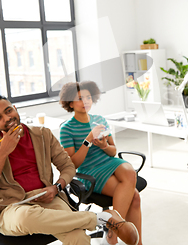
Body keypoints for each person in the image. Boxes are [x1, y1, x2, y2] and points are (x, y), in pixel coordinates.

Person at [0, 94, 139, 245]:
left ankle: (103, 218)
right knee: (26, 217)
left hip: (48, 198)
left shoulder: (42, 135)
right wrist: (2, 153)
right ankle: (103, 218)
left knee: (78, 238)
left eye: (8, 111)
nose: (7, 118)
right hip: (12, 206)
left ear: (15, 108)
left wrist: (56, 187)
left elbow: (68, 166)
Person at [59, 81, 143, 245]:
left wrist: (104, 145)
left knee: (130, 172)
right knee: (135, 197)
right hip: (90, 171)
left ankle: (112, 233)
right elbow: (73, 164)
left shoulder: (100, 120)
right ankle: (120, 237)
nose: (86, 101)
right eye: (80, 98)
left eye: (88, 97)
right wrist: (88, 139)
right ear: (70, 102)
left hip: (109, 161)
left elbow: (113, 151)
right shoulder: (67, 129)